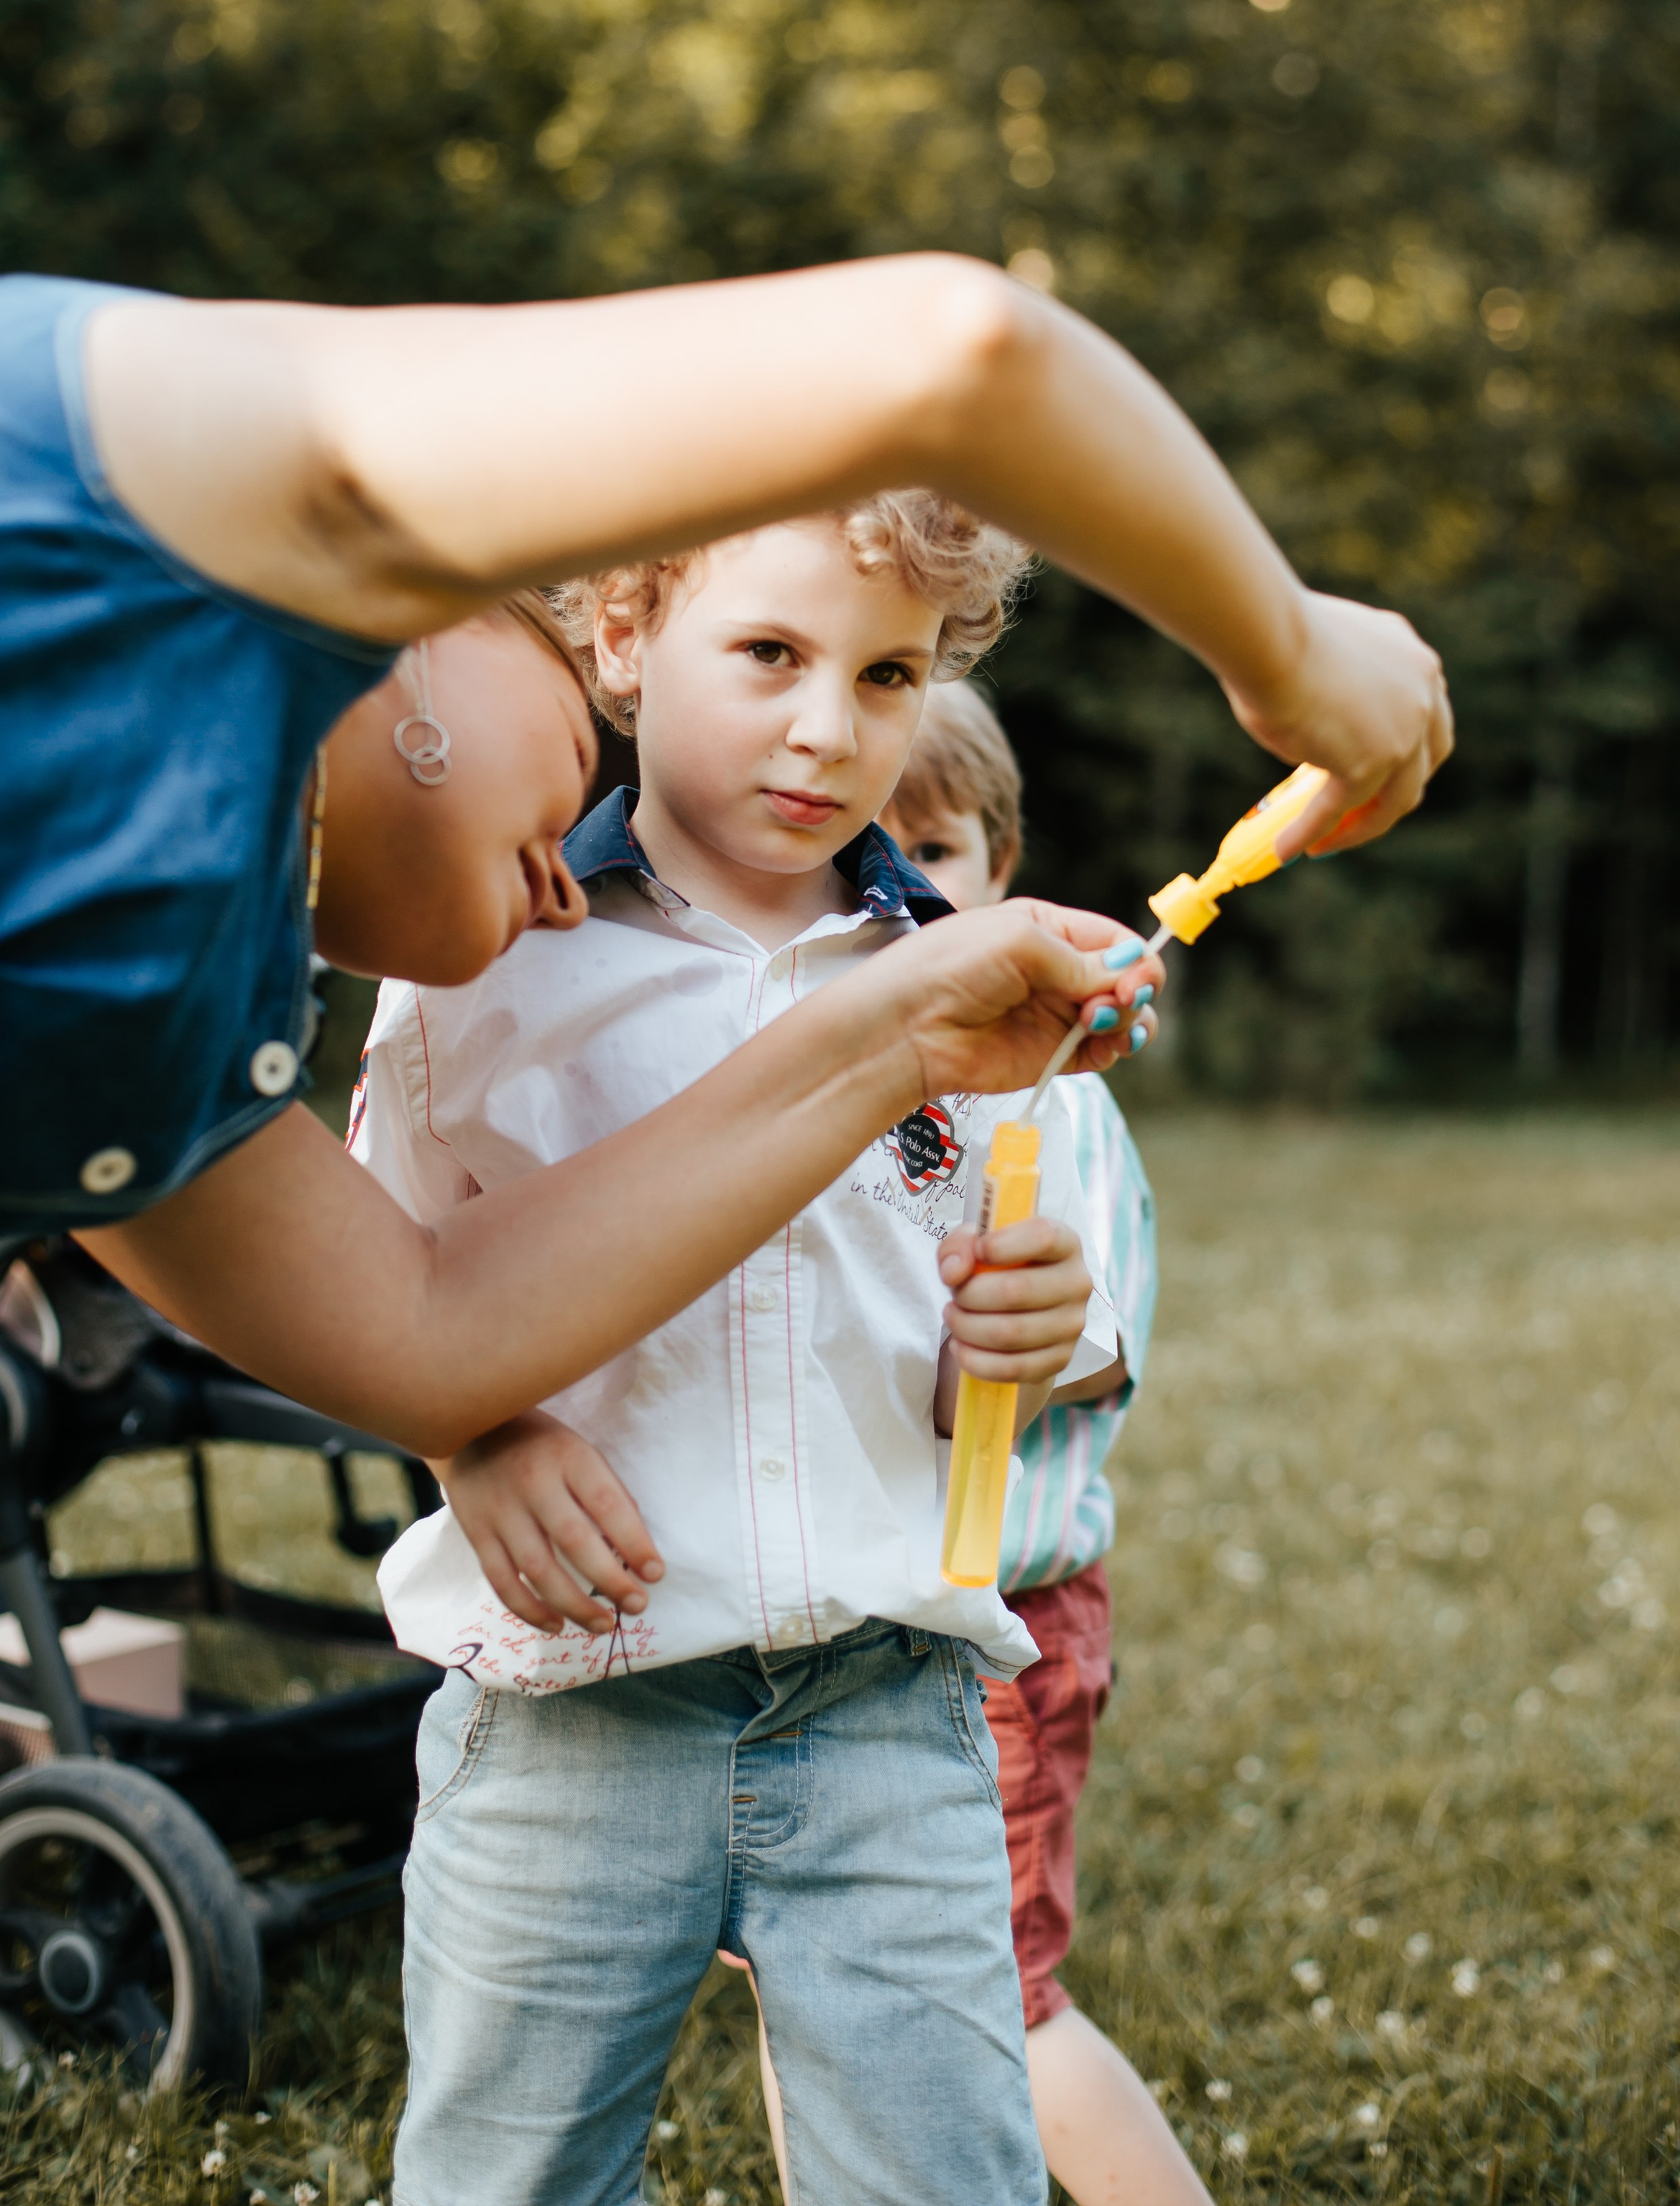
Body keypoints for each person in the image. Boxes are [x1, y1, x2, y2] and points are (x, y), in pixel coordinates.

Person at [2, 260, 1451, 1445]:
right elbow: (956, 359)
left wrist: (890, 1040)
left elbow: (428, 1336)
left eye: (885, 677)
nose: (566, 869)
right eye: (580, 743)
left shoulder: (160, 1048)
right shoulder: (152, 465)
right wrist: (1293, 657)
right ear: (435, 615)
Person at [350, 501, 1126, 2206]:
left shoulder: (964, 987)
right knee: (506, 2178)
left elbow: (997, 1325)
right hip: (570, 1718)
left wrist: (1030, 1328)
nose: (826, 728)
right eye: (769, 653)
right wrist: (469, 1439)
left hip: (883, 1709)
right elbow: (363, 1286)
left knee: (941, 2175)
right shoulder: (489, 966)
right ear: (624, 639)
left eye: (887, 674)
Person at [883, 681, 1204, 2206]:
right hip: (845, 1626)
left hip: (991, 1634)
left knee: (996, 2004)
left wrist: (1006, 1329)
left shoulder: (1044, 1085)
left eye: (932, 848)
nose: (898, 888)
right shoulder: (828, 1086)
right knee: (817, 1979)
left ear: (1001, 871)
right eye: (860, 853)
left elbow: (1098, 1341)